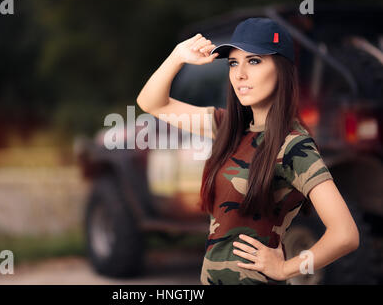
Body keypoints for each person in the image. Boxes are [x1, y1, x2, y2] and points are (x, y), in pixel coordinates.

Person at [136, 18, 359, 285]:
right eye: (233, 63)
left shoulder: (293, 146)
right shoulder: (227, 127)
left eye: (254, 61)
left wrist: (287, 268)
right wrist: (177, 57)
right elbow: (151, 103)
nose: (240, 74)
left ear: (282, 69)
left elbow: (345, 234)